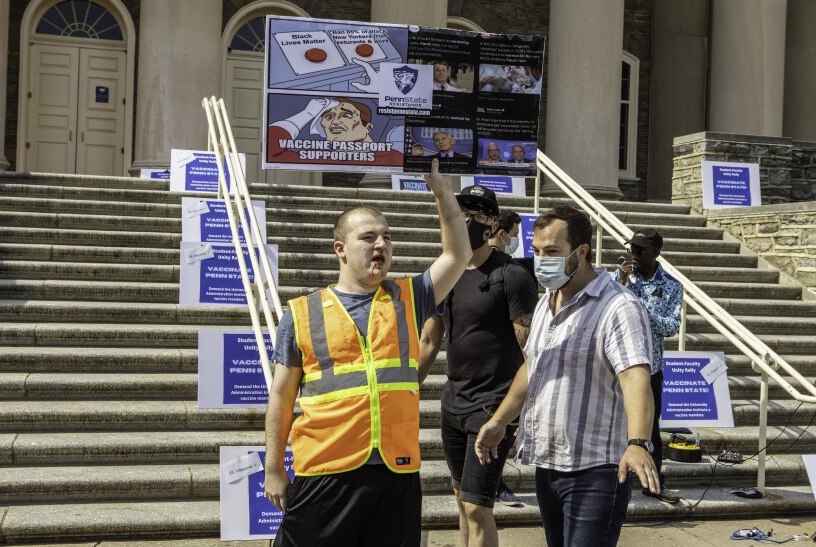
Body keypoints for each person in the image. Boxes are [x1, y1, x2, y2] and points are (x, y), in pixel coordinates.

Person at [265, 159, 470, 547]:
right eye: (369, 237)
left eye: (387, 237)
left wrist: (443, 194)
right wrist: (274, 468)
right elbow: (281, 395)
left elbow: (457, 255)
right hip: (325, 469)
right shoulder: (302, 313)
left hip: (396, 470)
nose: (381, 245)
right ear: (340, 249)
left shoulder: (409, 298)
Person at [475, 206, 659, 547]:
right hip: (549, 466)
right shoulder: (547, 302)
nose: (541, 260)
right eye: (537, 251)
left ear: (581, 251)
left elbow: (635, 377)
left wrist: (638, 443)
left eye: (552, 252)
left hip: (597, 471)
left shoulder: (618, 306)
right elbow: (532, 366)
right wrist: (500, 421)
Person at [419, 185, 539, 547]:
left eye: (478, 212)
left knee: (476, 505)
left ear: (493, 223)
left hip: (492, 405)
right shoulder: (443, 273)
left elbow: (532, 351)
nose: (468, 219)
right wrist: (406, 389)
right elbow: (429, 341)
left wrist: (513, 415)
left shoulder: (511, 275)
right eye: (462, 211)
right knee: (461, 498)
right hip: (453, 403)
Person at [615, 228, 684, 504]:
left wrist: (642, 313)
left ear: (655, 253)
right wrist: (620, 282)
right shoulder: (620, 278)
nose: (633, 255)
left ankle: (653, 484)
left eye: (639, 251)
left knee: (649, 428)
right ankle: (613, 483)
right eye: (631, 249)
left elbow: (672, 326)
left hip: (649, 368)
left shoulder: (671, 285)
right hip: (618, 365)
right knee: (614, 425)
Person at [268, 97, 403, 165]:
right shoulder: (319, 156)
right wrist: (307, 114)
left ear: (367, 128)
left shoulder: (393, 157)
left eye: (347, 115)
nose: (335, 122)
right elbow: (271, 153)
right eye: (328, 117)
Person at [488, 210, 537, 288]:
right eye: (515, 235)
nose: (516, 239)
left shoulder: (476, 257)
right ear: (501, 234)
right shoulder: (511, 268)